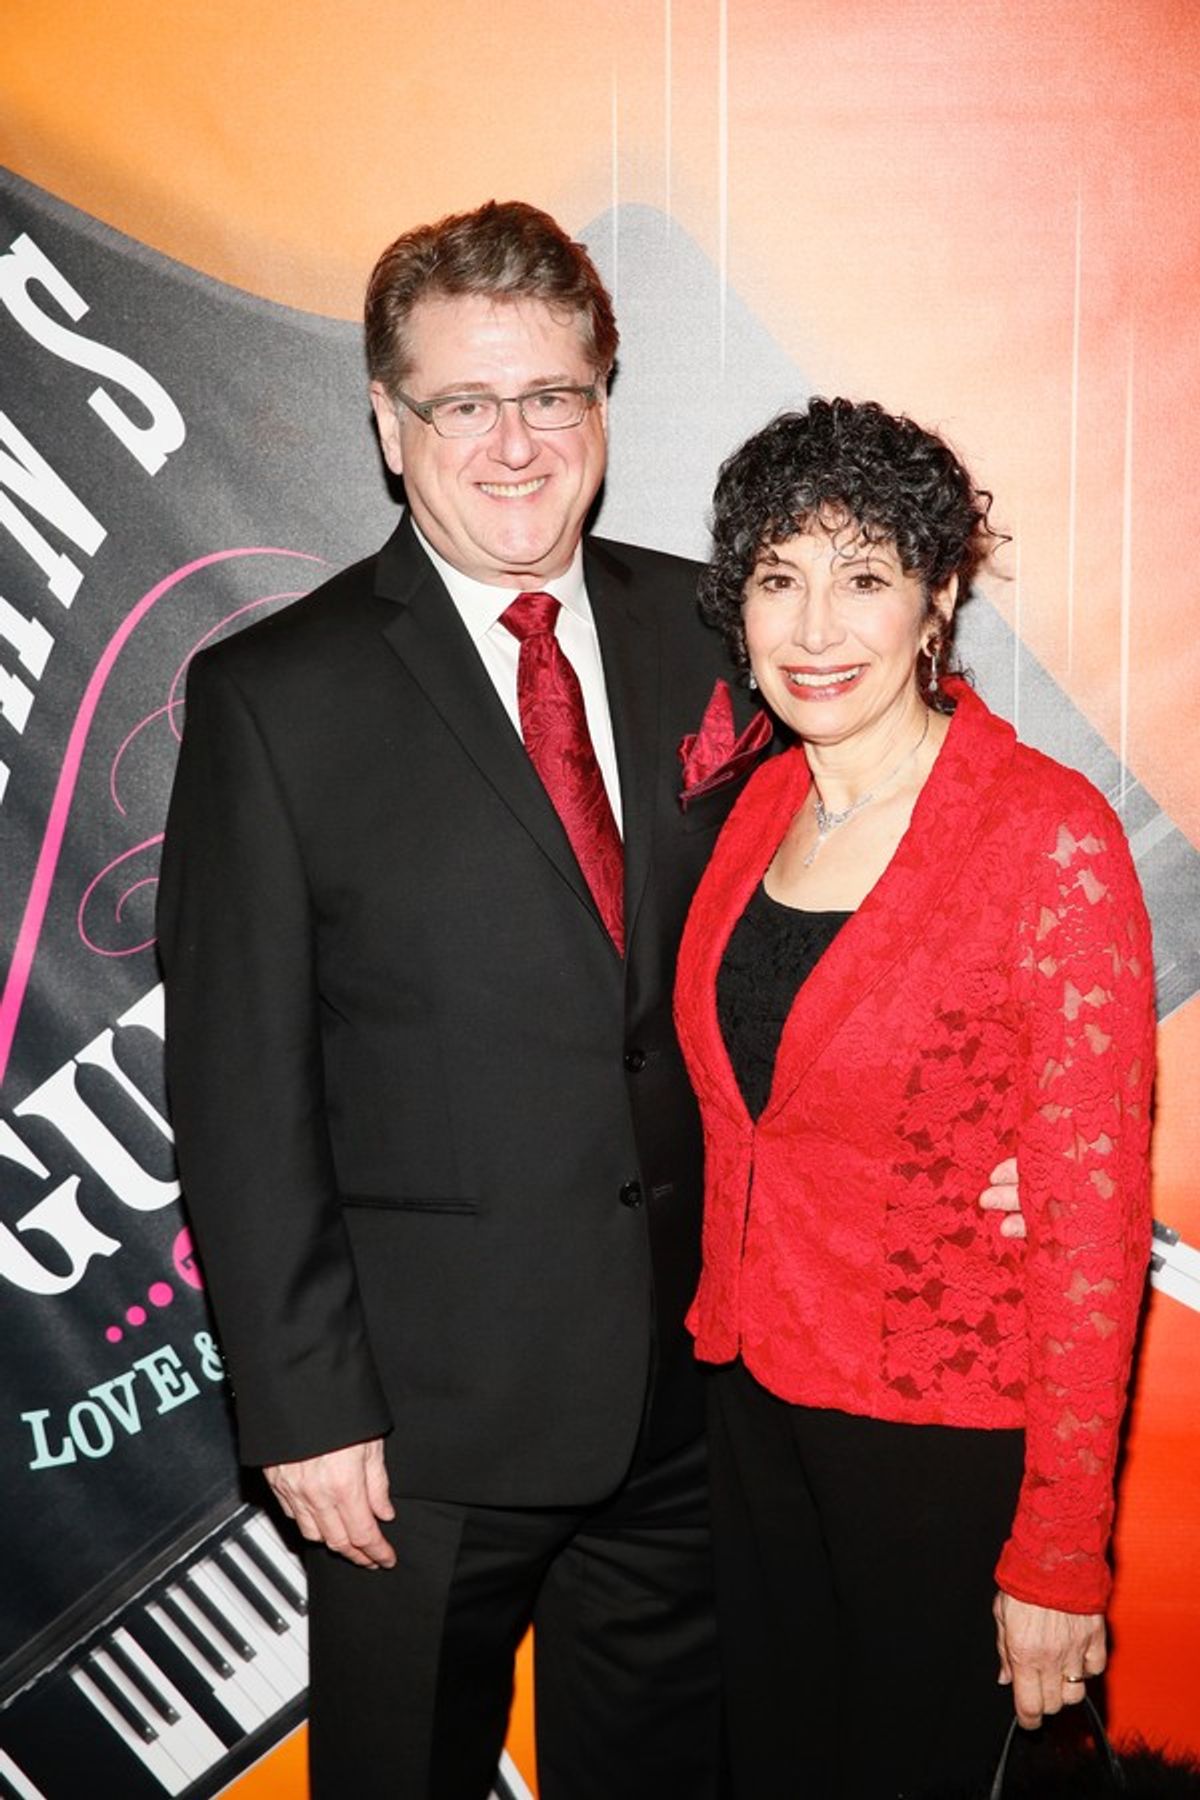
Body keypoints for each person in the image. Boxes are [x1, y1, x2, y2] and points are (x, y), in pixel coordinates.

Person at [156, 198, 770, 1800]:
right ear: (387, 423)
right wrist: (303, 1408)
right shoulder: (273, 700)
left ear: (604, 402)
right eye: (465, 404)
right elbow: (238, 1091)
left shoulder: (721, 636)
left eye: (553, 394)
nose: (516, 445)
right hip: (413, 1440)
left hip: (691, 1401)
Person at [673, 398, 1155, 1799]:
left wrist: (1059, 1548)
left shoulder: (1045, 838)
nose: (816, 626)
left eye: (865, 576)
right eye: (780, 578)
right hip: (755, 1411)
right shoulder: (762, 807)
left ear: (938, 597)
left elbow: (1092, 1230)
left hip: (940, 1446)